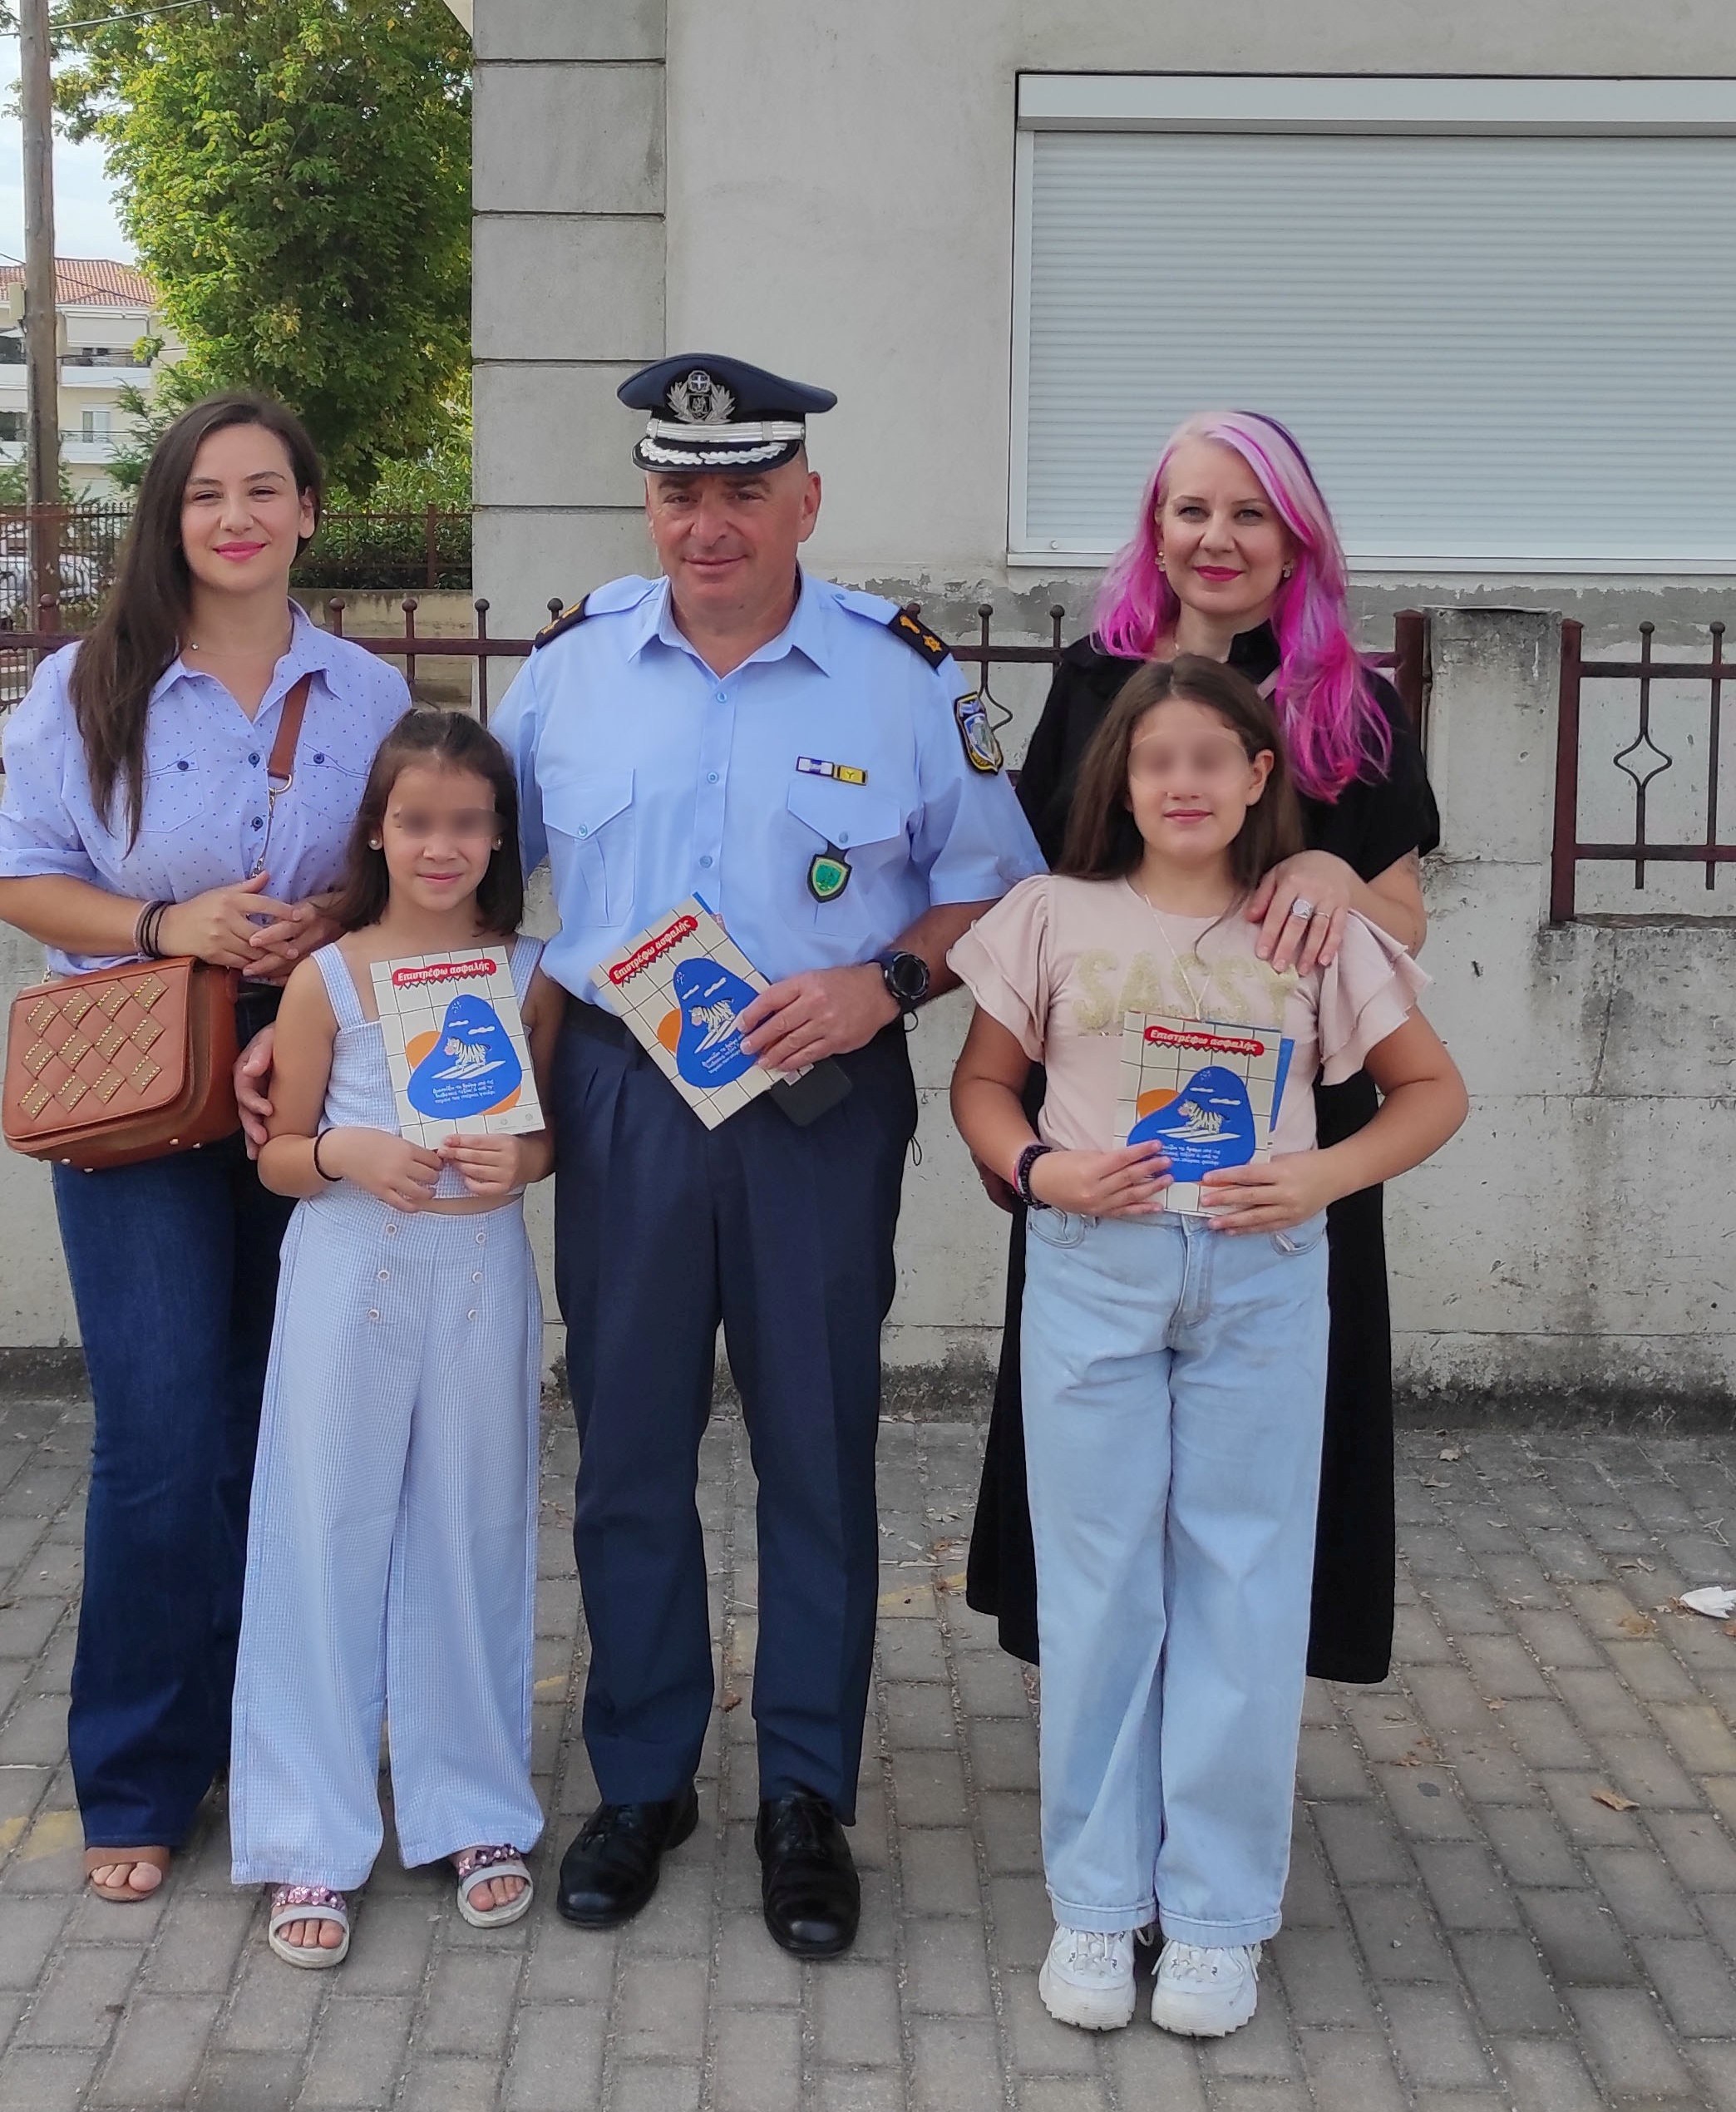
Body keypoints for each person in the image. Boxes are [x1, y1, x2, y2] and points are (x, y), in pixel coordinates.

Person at [492, 353, 1043, 1958]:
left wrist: (886, 985)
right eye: (681, 491)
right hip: (623, 1098)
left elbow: (992, 886)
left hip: (817, 1104)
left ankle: (806, 1795)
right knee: (627, 1450)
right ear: (648, 503)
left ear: (808, 499)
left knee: (816, 1448)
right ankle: (641, 1781)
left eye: (744, 490)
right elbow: (458, 861)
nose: (709, 523)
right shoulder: (573, 672)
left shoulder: (902, 678)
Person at [949, 655, 1466, 2035]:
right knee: (1100, 1589)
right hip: (1094, 1274)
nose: (1182, 782)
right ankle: (1098, 1900)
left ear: (1257, 779)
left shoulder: (1311, 928)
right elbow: (983, 1084)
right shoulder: (1049, 915)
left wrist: (1323, 1177)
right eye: (1155, 760)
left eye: (1210, 760)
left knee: (1243, 1586)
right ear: (1121, 781)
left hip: (1260, 1282)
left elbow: (1431, 1091)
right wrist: (1038, 1170)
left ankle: (1219, 1918)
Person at [0, 394, 411, 1902]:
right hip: (135, 1071)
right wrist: (168, 922)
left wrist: (336, 919)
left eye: (264, 490)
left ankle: (278, 1731)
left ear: (309, 510)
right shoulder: (85, 685)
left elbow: (409, 866)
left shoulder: (368, 691)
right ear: (169, 518)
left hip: (312, 1068)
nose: (235, 517)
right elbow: (20, 875)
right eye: (204, 494)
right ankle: (141, 1771)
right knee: (162, 1431)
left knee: (289, 1422)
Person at [968, 409, 1441, 1685]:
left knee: (1260, 1483)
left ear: (1296, 540)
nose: (1217, 538)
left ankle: (1231, 1702)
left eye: (1248, 514)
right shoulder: (1091, 682)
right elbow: (1039, 896)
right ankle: (1109, 1697)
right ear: (1157, 531)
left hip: (1277, 1157)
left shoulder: (1351, 703)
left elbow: (1404, 921)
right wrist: (1016, 1138)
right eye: (1192, 510)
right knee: (1097, 1466)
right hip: (1107, 1140)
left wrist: (1335, 873)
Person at [229, 707, 557, 1966]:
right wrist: (349, 1153)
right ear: (377, 830)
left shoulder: (529, 974)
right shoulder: (327, 978)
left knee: (472, 1525)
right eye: (417, 821)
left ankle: (472, 1806)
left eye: (467, 823)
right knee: (324, 1530)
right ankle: (308, 1833)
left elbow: (543, 1136)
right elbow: (279, 1156)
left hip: (476, 1274)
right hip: (349, 1269)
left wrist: (522, 1160)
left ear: (499, 836)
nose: (440, 846)